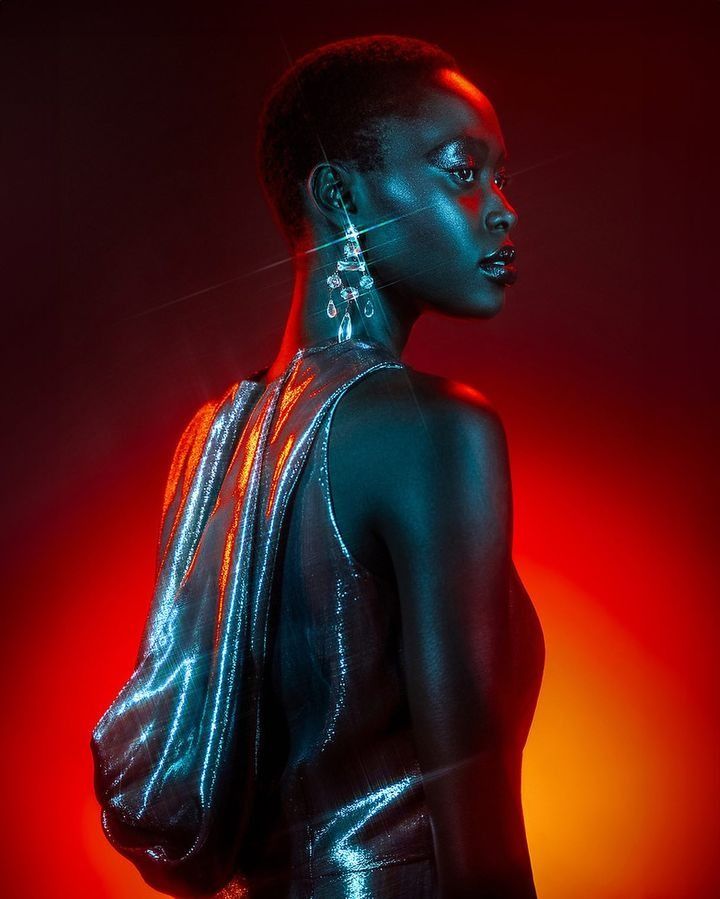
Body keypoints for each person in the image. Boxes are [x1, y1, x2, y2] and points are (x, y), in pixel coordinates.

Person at [91, 34, 545, 899]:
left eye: (501, 174)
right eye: (461, 170)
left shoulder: (210, 438)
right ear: (339, 193)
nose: (502, 208)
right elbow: (479, 841)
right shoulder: (433, 428)